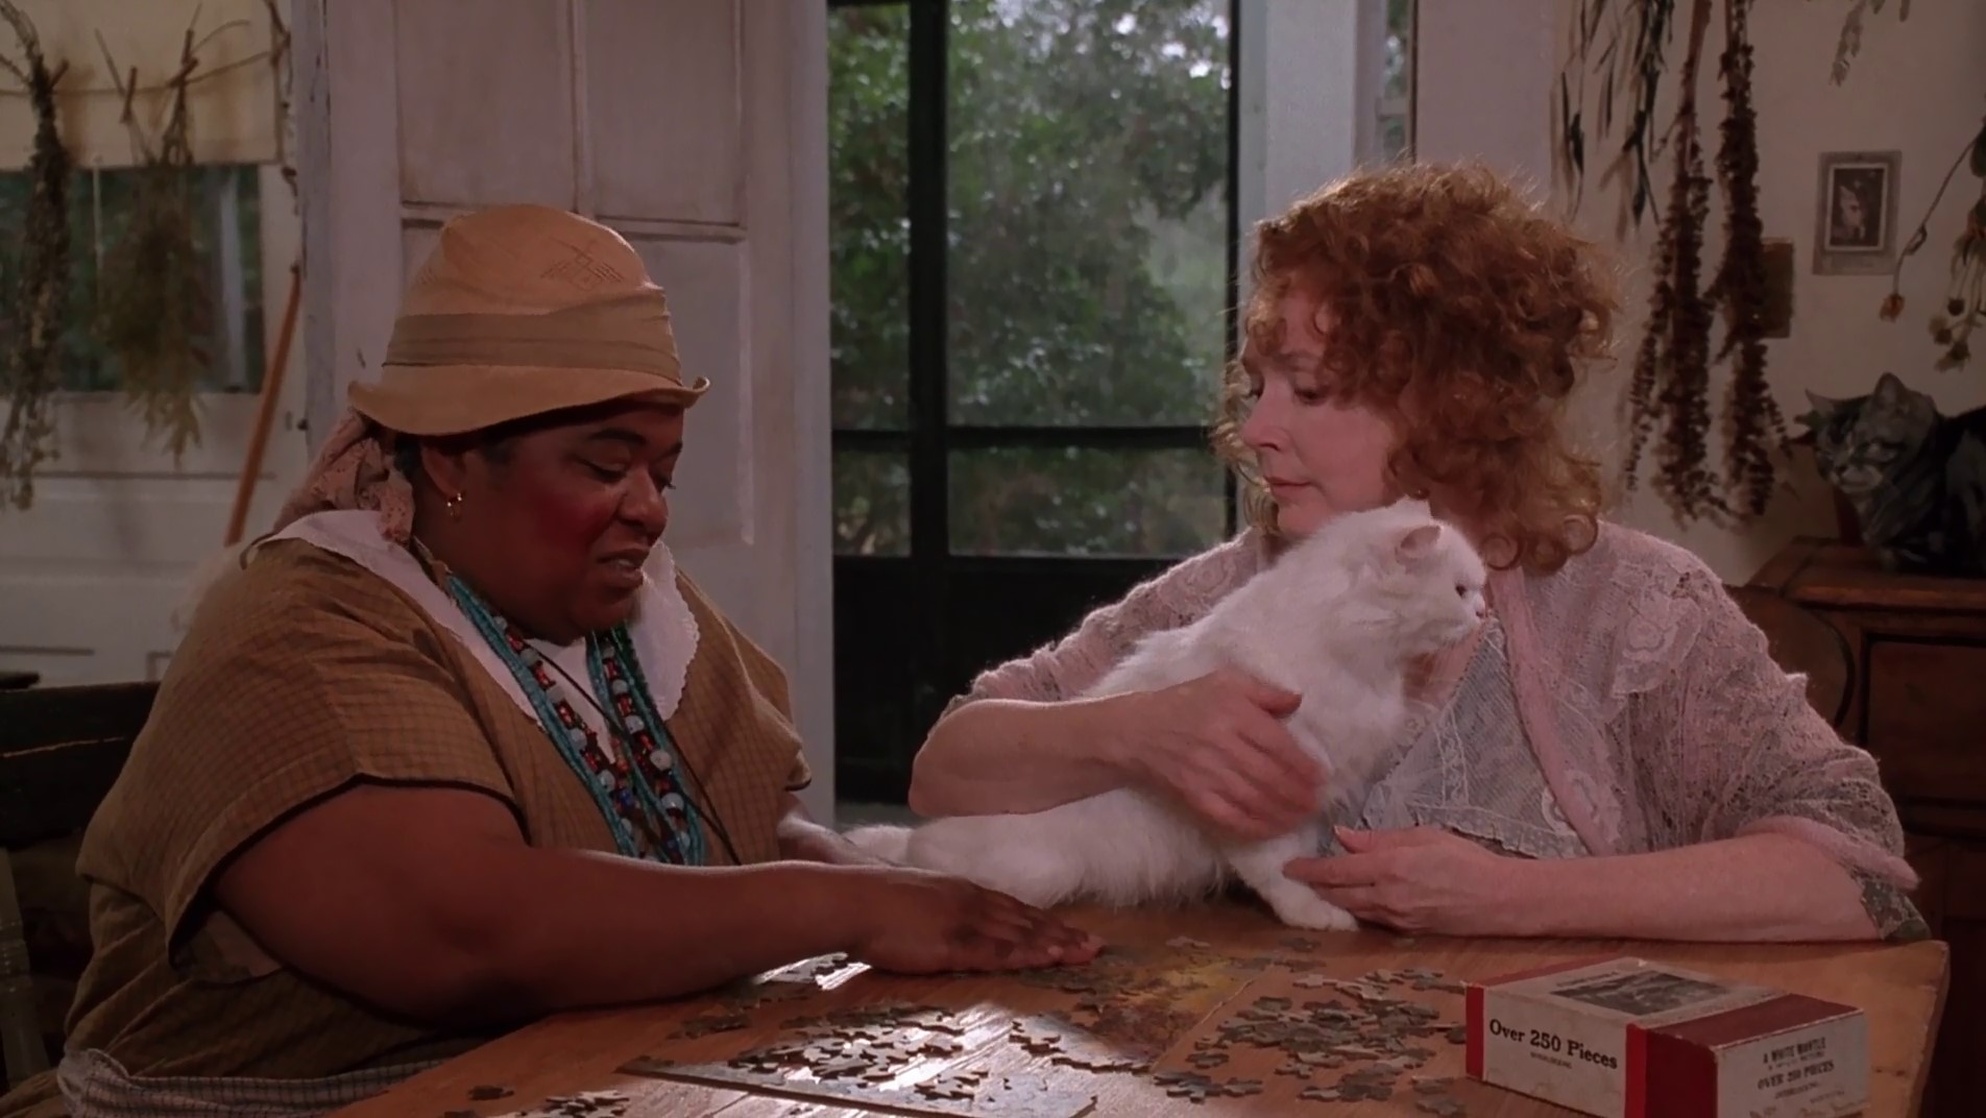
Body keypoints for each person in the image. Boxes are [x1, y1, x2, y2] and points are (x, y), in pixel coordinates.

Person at [0, 205, 1096, 1118]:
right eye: (605, 465)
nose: (649, 509)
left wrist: (890, 884)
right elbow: (466, 932)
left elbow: (747, 829)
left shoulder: (632, 611)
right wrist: (840, 905)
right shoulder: (303, 626)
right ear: (451, 457)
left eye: (663, 470)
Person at [906, 163, 1926, 945]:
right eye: (1258, 386)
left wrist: (1516, 897)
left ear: (1456, 399)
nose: (1256, 430)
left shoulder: (1639, 610)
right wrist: (1135, 730)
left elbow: (1861, 874)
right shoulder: (1231, 591)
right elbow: (943, 774)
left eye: (1308, 389)